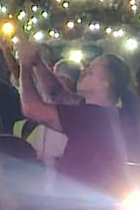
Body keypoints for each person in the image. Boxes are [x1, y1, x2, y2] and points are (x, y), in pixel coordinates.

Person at [17, 42, 132, 200]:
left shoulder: (93, 117)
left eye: (90, 72)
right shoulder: (104, 114)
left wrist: (25, 66)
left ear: (105, 84)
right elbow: (56, 94)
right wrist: (36, 61)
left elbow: (32, 108)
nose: (83, 72)